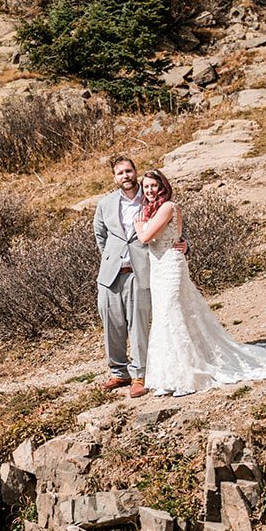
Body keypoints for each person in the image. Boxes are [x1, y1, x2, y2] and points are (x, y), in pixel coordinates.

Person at [135, 169, 266, 397]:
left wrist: (140, 226)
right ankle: (170, 376)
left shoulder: (168, 207)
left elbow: (145, 237)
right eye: (146, 186)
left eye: (153, 186)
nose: (149, 190)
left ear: (162, 186)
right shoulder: (153, 209)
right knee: (164, 317)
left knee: (173, 314)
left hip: (170, 266)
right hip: (158, 269)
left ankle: (189, 376)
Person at [92, 156, 168, 398]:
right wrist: (111, 257)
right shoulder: (105, 203)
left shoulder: (150, 198)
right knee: (112, 324)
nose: (125, 175)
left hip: (140, 270)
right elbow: (99, 233)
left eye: (129, 171)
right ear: (114, 178)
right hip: (111, 273)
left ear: (136, 172)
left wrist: (183, 243)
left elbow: (168, 224)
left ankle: (139, 375)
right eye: (120, 173)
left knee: (138, 325)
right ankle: (119, 372)